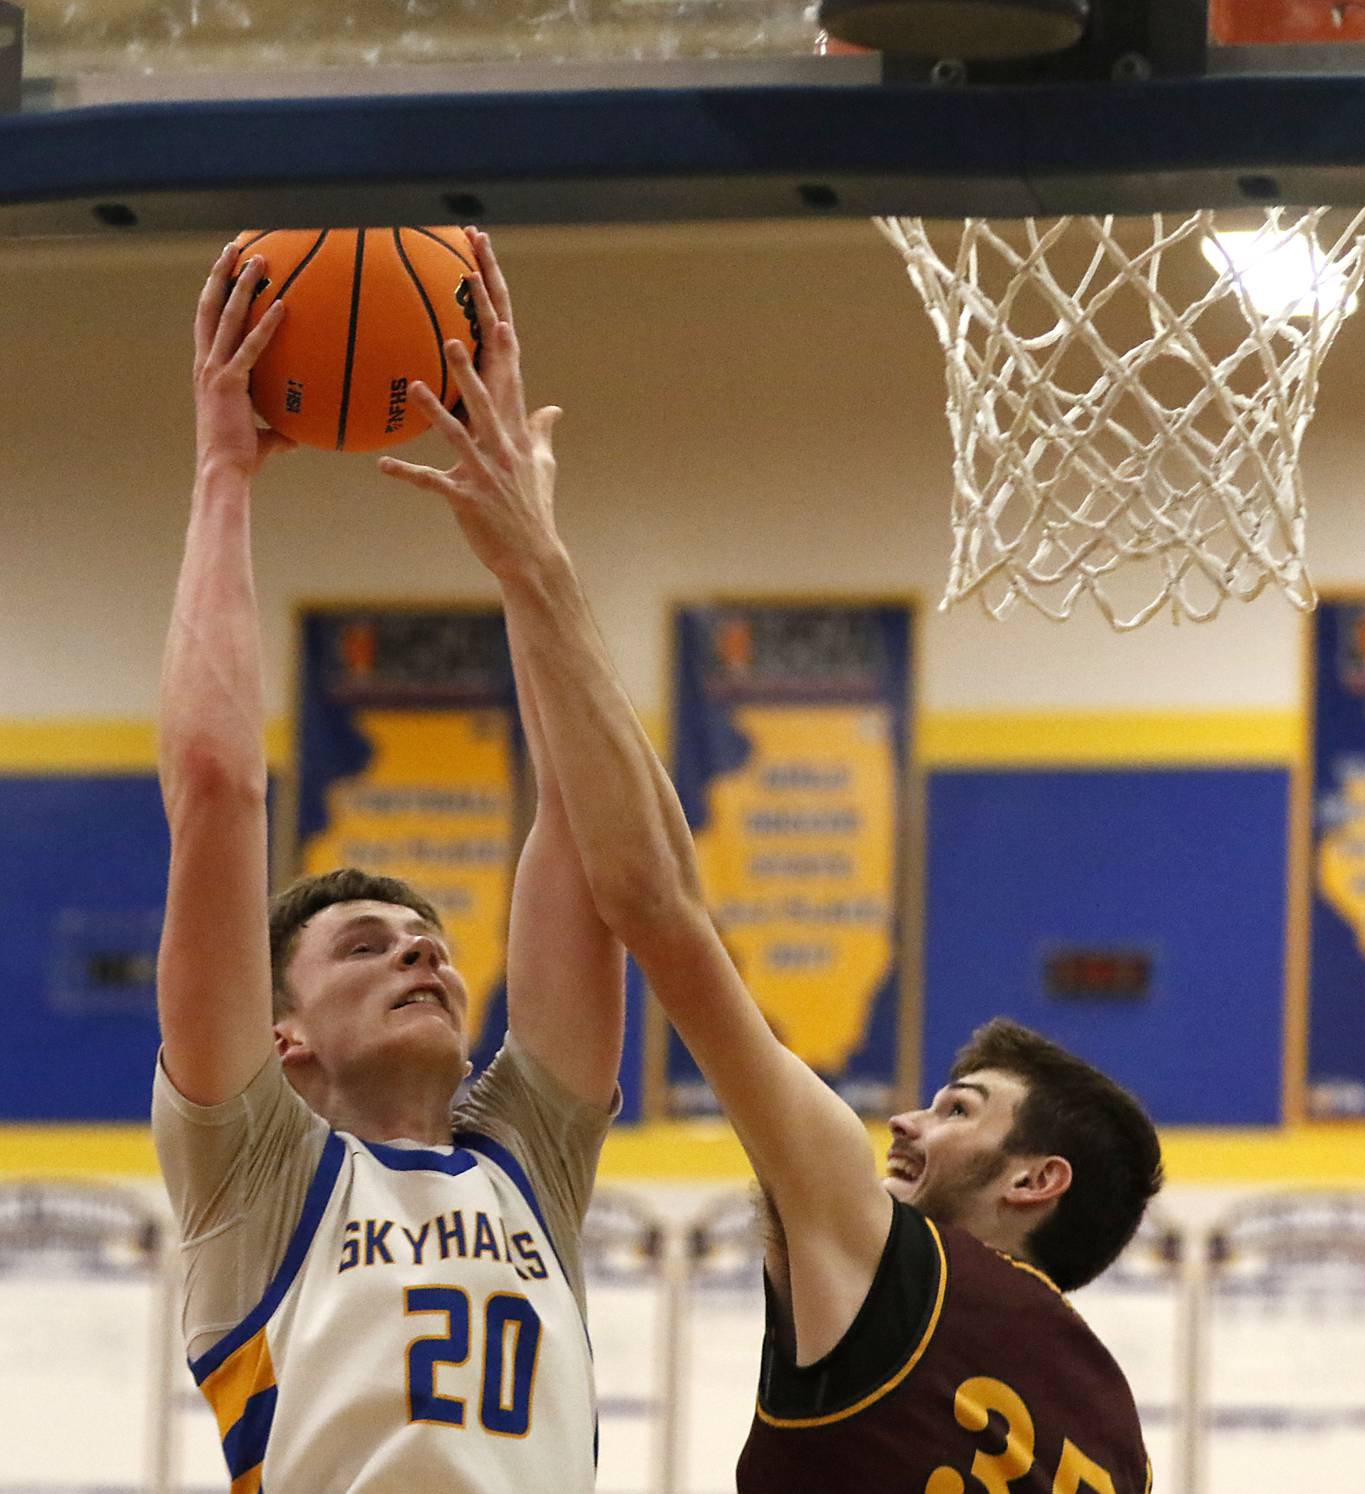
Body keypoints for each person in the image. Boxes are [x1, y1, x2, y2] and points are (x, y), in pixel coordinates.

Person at [381, 238, 1164, 1494]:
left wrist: (534, 566)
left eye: (961, 1108)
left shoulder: (887, 1251)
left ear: (1037, 1180)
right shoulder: (1111, 1426)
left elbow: (655, 907)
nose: (908, 1116)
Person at [153, 232, 624, 1492]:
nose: (421, 946)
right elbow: (214, 791)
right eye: (363, 946)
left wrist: (531, 552)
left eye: (425, 938)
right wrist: (223, 474)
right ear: (282, 1036)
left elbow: (589, 830)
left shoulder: (528, 1153)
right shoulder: (254, 1171)